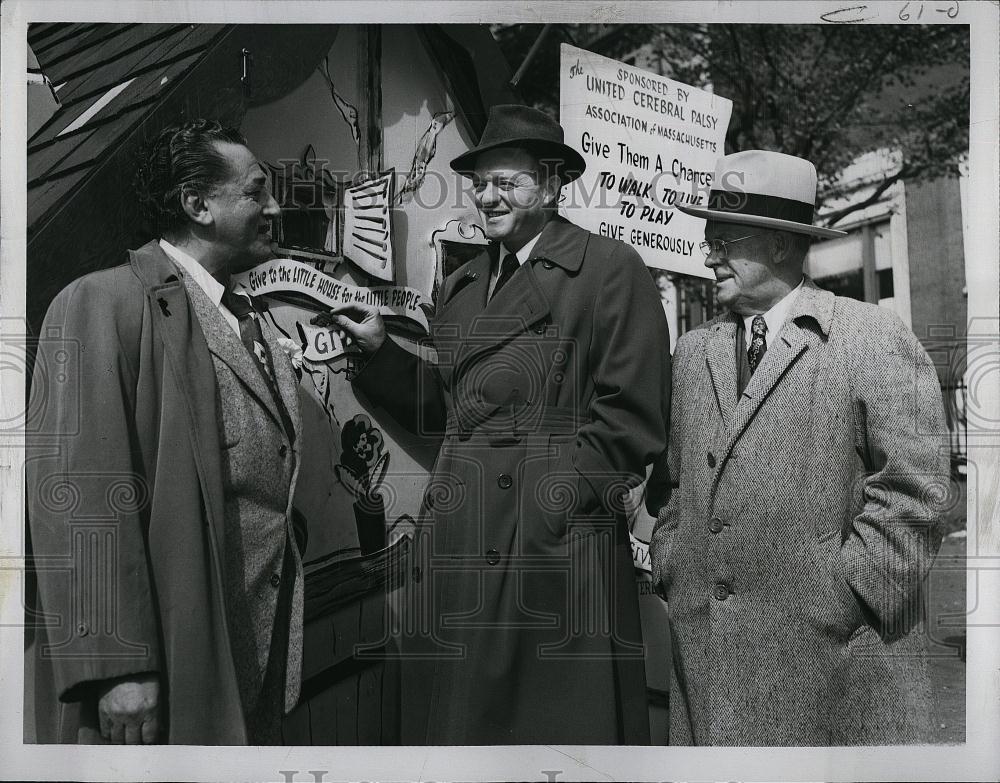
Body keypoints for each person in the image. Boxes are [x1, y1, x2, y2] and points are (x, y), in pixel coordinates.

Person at [328, 104, 671, 744]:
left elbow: (633, 416)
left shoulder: (607, 271)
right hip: (463, 545)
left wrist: (552, 508)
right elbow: (463, 411)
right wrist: (380, 353)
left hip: (550, 553)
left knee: (551, 739)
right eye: (479, 184)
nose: (486, 197)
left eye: (505, 183)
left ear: (550, 184)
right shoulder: (463, 285)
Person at [648, 149, 949, 745]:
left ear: (781, 246)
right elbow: (679, 489)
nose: (709, 254)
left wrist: (843, 595)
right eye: (709, 237)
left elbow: (920, 494)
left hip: (834, 671)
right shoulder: (693, 352)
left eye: (725, 239)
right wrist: (672, 561)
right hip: (709, 660)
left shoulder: (870, 336)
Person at [26, 119, 305, 745]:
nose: (274, 207)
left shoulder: (241, 315)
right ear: (197, 205)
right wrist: (119, 666)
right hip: (165, 677)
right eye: (257, 191)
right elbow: (78, 499)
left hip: (251, 663)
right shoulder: (100, 303)